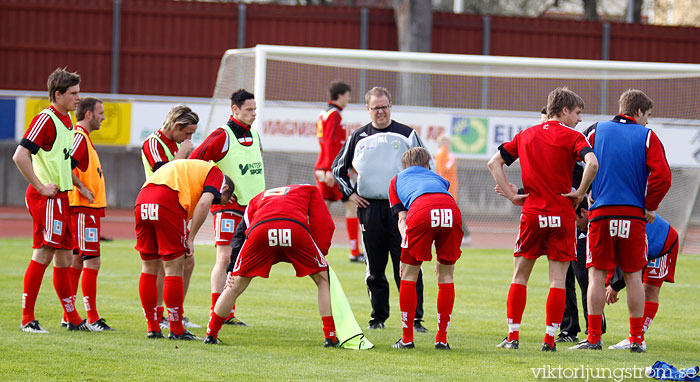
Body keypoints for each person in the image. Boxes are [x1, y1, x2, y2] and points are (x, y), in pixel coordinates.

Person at [488, 87, 598, 351]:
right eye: (577, 113)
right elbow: (592, 164)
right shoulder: (573, 137)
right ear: (564, 111)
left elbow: (494, 163)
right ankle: (549, 340)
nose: (580, 119)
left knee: (519, 276)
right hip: (561, 214)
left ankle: (512, 337)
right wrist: (580, 192)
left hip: (533, 214)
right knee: (558, 280)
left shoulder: (525, 135)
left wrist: (511, 194)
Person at [571, 89, 671, 353]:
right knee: (634, 276)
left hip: (601, 214)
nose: (648, 121)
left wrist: (586, 194)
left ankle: (593, 338)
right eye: (647, 115)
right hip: (633, 216)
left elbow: (576, 163)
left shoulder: (594, 131)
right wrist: (649, 206)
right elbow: (663, 176)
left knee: (595, 275)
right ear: (638, 112)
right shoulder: (647, 136)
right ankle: (637, 340)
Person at [332, 86, 428, 332]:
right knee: (375, 266)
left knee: (407, 262)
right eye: (376, 108)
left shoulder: (407, 134)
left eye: (384, 107)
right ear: (368, 109)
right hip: (370, 207)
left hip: (402, 210)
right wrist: (351, 194)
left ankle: (415, 319)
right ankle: (378, 318)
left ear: (390, 105)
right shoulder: (358, 136)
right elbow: (337, 169)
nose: (381, 112)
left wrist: (417, 199)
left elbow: (426, 167)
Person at [13, 68, 95, 333]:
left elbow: (61, 163)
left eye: (78, 93)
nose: (78, 98)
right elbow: (20, 156)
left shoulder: (68, 121)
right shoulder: (45, 118)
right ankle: (27, 319)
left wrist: (78, 184)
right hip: (46, 197)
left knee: (64, 257)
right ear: (57, 95)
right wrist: (39, 186)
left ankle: (71, 317)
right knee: (44, 253)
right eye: (73, 93)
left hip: (61, 197)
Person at [203, 184, 337, 347]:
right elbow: (323, 221)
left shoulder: (258, 198)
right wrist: (320, 251)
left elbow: (240, 233)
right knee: (322, 280)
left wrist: (233, 267)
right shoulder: (309, 189)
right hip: (294, 228)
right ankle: (330, 336)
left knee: (234, 286)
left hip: (261, 231)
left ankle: (211, 334)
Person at [189, 89, 265, 326]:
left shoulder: (255, 135)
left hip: (253, 208)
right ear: (235, 110)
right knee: (225, 258)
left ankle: (227, 311)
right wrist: (215, 189)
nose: (253, 114)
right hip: (229, 208)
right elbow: (194, 161)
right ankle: (218, 311)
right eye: (248, 110)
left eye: (255, 110)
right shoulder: (222, 135)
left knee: (242, 260)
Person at [135, 159, 233, 340]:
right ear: (225, 189)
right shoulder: (216, 174)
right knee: (173, 268)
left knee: (148, 267)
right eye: (221, 201)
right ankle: (176, 328)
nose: (217, 204)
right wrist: (191, 238)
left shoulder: (190, 170)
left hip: (142, 199)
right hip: (167, 200)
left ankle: (152, 327)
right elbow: (204, 203)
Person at [389, 148, 462, 350]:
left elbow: (402, 218)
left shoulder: (396, 180)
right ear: (428, 165)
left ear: (404, 166)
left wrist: (407, 241)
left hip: (421, 210)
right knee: (446, 275)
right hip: (451, 210)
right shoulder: (438, 178)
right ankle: (442, 339)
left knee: (408, 274)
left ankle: (407, 339)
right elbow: (444, 193)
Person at [141, 105, 200, 330]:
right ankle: (160, 316)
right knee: (160, 263)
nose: (189, 138)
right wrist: (183, 153)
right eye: (187, 133)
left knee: (185, 260)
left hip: (175, 208)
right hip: (158, 206)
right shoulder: (153, 142)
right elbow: (162, 172)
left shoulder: (175, 144)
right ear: (176, 126)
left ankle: (174, 312)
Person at [63, 97, 113, 331]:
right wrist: (81, 187)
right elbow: (65, 165)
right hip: (83, 209)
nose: (103, 117)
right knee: (91, 260)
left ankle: (69, 314)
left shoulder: (84, 139)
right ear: (89, 115)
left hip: (86, 210)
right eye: (101, 113)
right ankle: (91, 317)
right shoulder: (79, 138)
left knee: (77, 260)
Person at [605, 215, 678, 352]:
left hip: (661, 244)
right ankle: (636, 338)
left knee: (650, 290)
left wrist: (614, 286)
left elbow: (626, 254)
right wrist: (608, 283)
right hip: (645, 242)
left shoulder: (607, 219)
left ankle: (636, 338)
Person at [314, 81, 364, 263]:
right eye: (348, 96)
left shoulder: (324, 113)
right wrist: (332, 169)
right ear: (340, 95)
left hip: (323, 166)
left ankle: (312, 249)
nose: (349, 99)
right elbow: (332, 143)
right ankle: (354, 251)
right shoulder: (335, 115)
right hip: (332, 169)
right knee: (352, 205)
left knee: (321, 210)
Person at [434, 135, 471, 246]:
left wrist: (443, 152)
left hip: (451, 189)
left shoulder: (450, 156)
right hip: (440, 188)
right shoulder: (438, 155)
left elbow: (445, 169)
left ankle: (465, 234)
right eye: (443, 142)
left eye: (447, 142)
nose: (445, 145)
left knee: (455, 211)